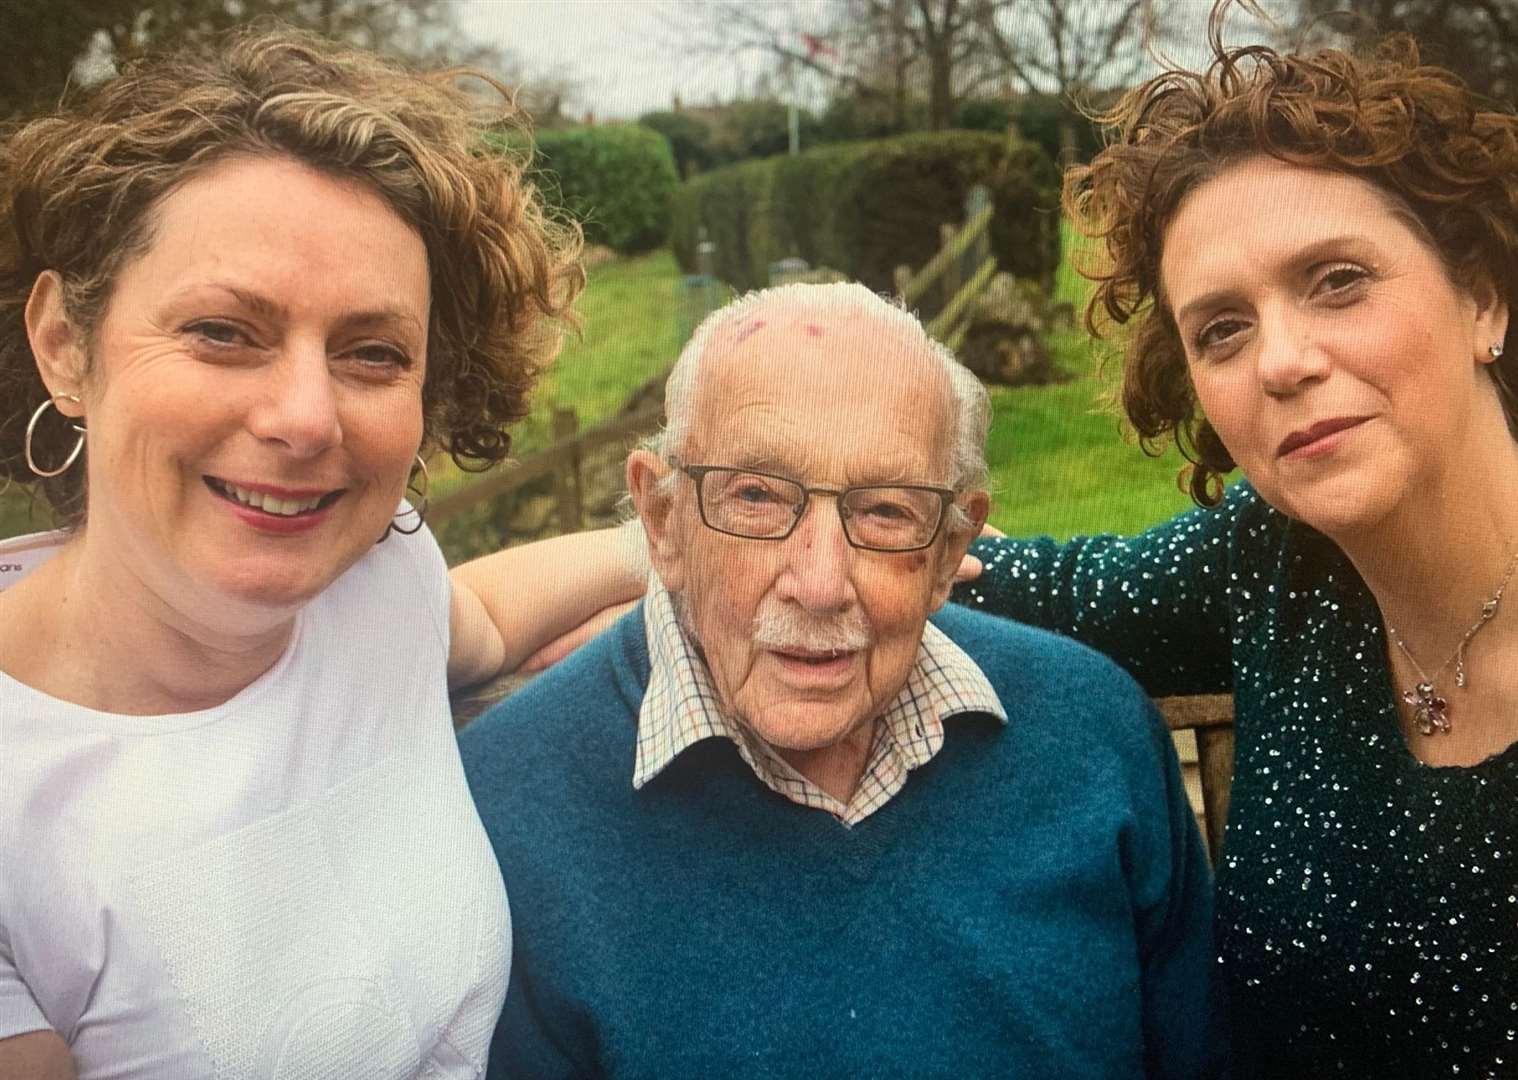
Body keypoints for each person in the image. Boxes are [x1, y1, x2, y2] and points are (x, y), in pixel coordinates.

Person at [0, 27, 644, 1080]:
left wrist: (678, 543)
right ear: (66, 345)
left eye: (373, 353)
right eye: (222, 329)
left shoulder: (375, 584)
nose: (306, 418)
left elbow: (474, 620)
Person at [459, 282, 1226, 1079]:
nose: (820, 583)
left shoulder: (1092, 733)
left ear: (948, 549)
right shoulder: (508, 807)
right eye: (754, 498)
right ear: (663, 524)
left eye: (886, 511)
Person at [949, 21, 1518, 1078]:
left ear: (1481, 294)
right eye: (1222, 329)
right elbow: (993, 580)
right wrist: (677, 550)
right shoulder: (1272, 565)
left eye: (1338, 279)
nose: (1284, 362)